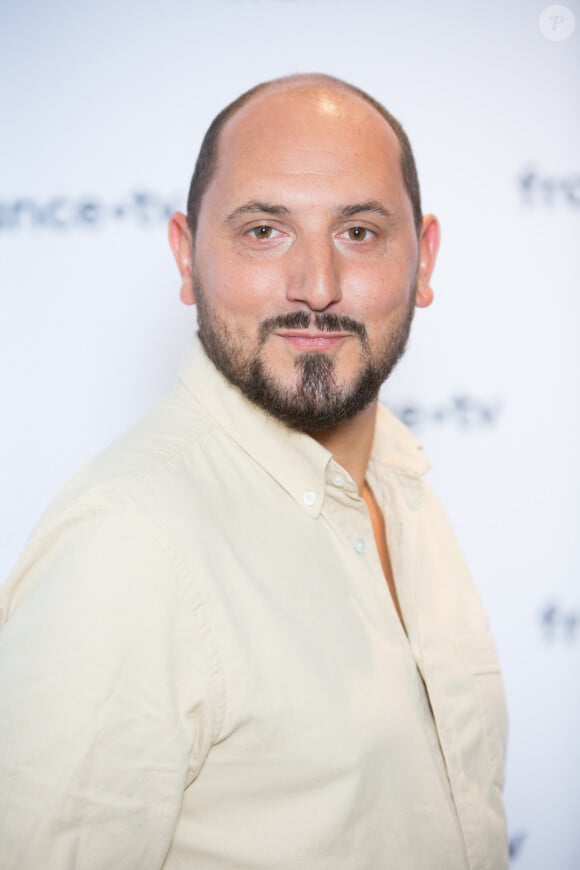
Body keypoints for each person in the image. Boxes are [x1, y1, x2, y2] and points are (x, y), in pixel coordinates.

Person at [0, 73, 508, 869]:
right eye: (265, 231)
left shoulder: (405, 487)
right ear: (186, 256)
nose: (317, 288)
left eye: (361, 233)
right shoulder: (126, 548)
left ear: (425, 257)